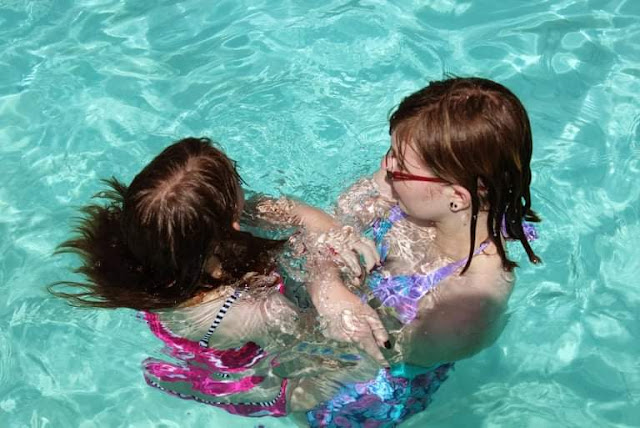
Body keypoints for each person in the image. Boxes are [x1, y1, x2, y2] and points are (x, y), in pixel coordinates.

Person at [50, 137, 388, 418]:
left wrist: (336, 242)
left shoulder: (165, 239)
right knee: (361, 364)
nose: (245, 191)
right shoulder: (255, 311)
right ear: (232, 225)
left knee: (361, 205)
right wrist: (329, 288)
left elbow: (296, 213)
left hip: (203, 315)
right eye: (236, 180)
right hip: (262, 379)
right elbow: (322, 351)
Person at [302, 77, 541, 426]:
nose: (386, 168)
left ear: (456, 198)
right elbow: (339, 219)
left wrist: (325, 282)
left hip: (367, 385)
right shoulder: (415, 190)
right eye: (392, 153)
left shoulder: (465, 306)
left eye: (399, 164)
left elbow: (373, 350)